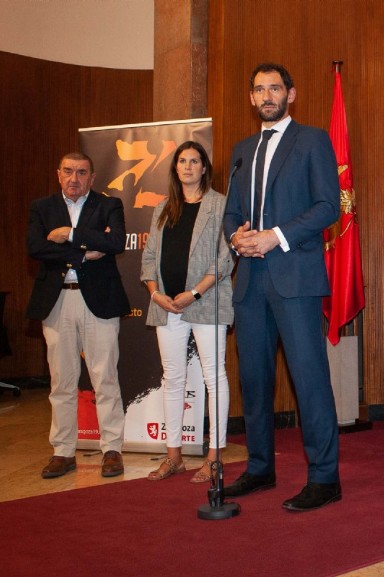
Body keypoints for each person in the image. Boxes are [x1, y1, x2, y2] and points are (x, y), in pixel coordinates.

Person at [222, 62, 341, 512]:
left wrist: (276, 236)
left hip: (295, 275)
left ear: (291, 94)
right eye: (259, 89)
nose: (267, 95)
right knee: (254, 380)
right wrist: (237, 237)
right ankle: (259, 467)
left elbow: (328, 205)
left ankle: (325, 477)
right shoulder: (241, 150)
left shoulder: (312, 140)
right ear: (251, 98)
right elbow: (232, 211)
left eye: (275, 88)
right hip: (250, 280)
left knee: (309, 378)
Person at [27, 152, 130, 479]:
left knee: (105, 378)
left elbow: (114, 242)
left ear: (92, 176)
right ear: (58, 174)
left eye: (82, 172)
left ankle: (112, 448)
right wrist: (84, 255)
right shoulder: (42, 207)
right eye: (68, 172)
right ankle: (63, 451)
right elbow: (36, 247)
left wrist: (69, 235)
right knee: (62, 380)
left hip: (98, 301)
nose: (74, 178)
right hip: (56, 302)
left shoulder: (108, 205)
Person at [140, 141, 233, 483]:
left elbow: (225, 257)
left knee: (213, 377)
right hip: (167, 305)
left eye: (195, 161)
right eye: (183, 161)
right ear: (175, 168)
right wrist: (156, 294)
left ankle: (214, 456)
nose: (189, 166)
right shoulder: (164, 207)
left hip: (205, 301)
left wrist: (194, 293)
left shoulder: (220, 205)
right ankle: (174, 456)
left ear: (204, 168)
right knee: (173, 378)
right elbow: (149, 257)